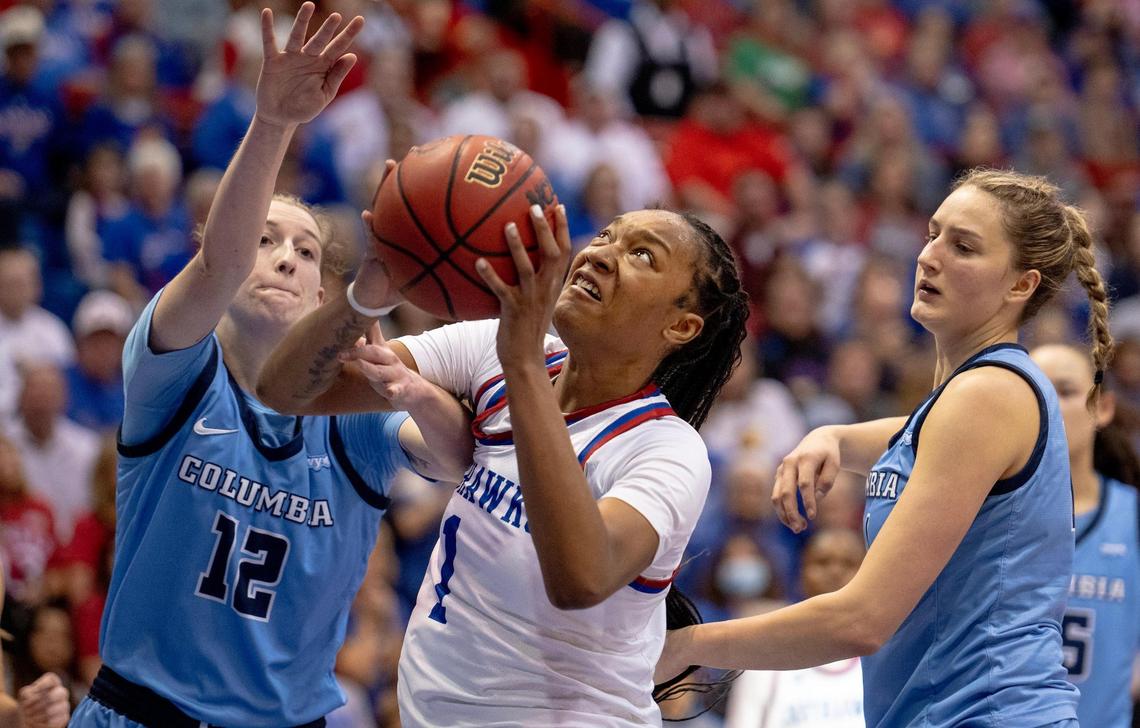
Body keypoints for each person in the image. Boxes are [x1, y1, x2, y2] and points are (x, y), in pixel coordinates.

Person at [67, 5, 472, 727]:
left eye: (307, 251)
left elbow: (454, 454)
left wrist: (413, 388)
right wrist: (274, 121)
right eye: (266, 240)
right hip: (143, 711)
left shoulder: (355, 419)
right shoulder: (174, 375)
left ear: (322, 293)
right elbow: (217, 266)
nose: (285, 256)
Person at [655, 168, 1113, 728]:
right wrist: (832, 435)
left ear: (1020, 286)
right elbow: (908, 433)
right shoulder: (961, 401)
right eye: (932, 233)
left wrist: (682, 645)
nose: (930, 256)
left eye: (963, 247)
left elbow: (860, 620)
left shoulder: (988, 395)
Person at [259, 202, 750, 721]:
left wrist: (521, 363)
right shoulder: (496, 351)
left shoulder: (666, 449)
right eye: (607, 235)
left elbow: (580, 578)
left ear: (681, 326)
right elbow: (288, 390)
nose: (601, 255)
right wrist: (367, 295)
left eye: (643, 255)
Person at [1030, 343, 1140, 728]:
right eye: (1037, 393)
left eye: (1065, 391)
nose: (1050, 406)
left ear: (1103, 408)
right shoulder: (987, 513)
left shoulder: (1132, 513)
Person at [723, 527, 866, 728]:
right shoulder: (764, 660)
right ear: (800, 576)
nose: (835, 572)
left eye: (848, 563)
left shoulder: (884, 659)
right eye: (822, 562)